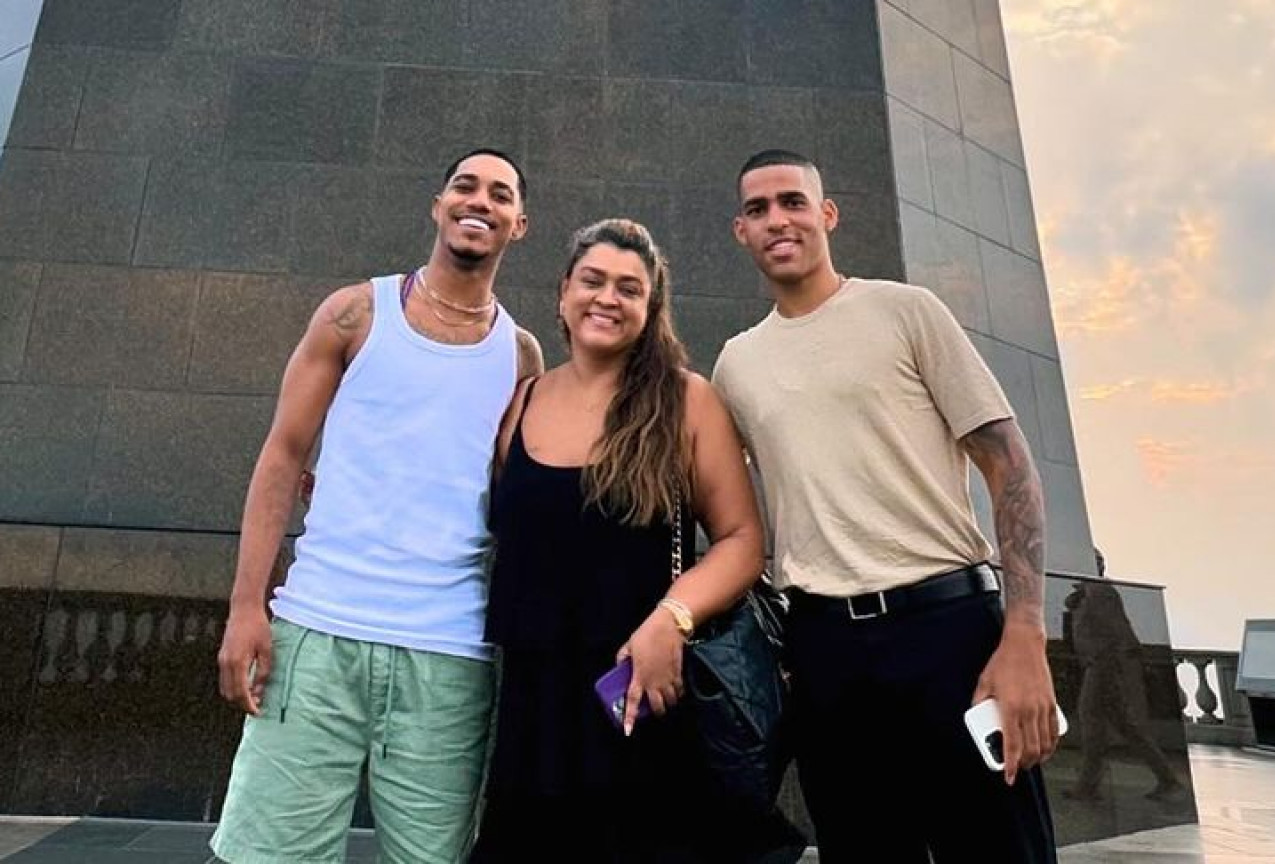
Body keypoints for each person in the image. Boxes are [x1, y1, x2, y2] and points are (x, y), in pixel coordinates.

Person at [713, 149, 1061, 864]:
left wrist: (1024, 633)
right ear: (739, 232)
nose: (777, 219)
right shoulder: (736, 364)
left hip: (951, 632)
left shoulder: (906, 311)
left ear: (827, 214)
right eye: (758, 209)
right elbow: (729, 512)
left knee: (1001, 850)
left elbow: (1010, 467)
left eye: (792, 201)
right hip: (825, 655)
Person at [211, 149, 541, 864]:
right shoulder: (354, 312)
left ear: (520, 223)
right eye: (464, 185)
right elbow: (281, 456)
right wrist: (246, 608)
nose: (478, 200)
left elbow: (525, 503)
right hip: (318, 633)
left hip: (450, 655)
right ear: (437, 204)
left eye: (499, 193)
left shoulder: (520, 357)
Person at [475, 217, 794, 864]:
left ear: (650, 310)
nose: (607, 298)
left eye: (629, 289)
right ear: (564, 291)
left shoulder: (685, 401)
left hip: (642, 697)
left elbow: (740, 540)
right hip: (534, 714)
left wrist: (670, 621)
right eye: (593, 280)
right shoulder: (521, 402)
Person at [1063, 551, 1184, 803]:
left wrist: (1125, 662)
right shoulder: (1086, 593)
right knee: (1124, 727)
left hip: (1102, 666)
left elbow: (1120, 628)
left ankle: (1089, 786)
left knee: (1093, 722)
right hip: (1097, 665)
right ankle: (1166, 779)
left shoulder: (1100, 592)